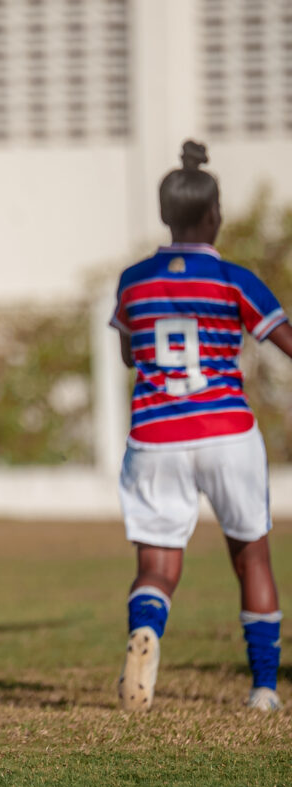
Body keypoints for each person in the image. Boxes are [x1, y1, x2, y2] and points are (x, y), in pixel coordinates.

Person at [112, 140, 290, 713]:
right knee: (252, 558)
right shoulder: (234, 280)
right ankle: (264, 687)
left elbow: (130, 356)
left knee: (157, 567)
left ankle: (147, 635)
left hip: (155, 435)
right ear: (216, 214)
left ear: (165, 216)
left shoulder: (133, 281)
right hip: (226, 432)